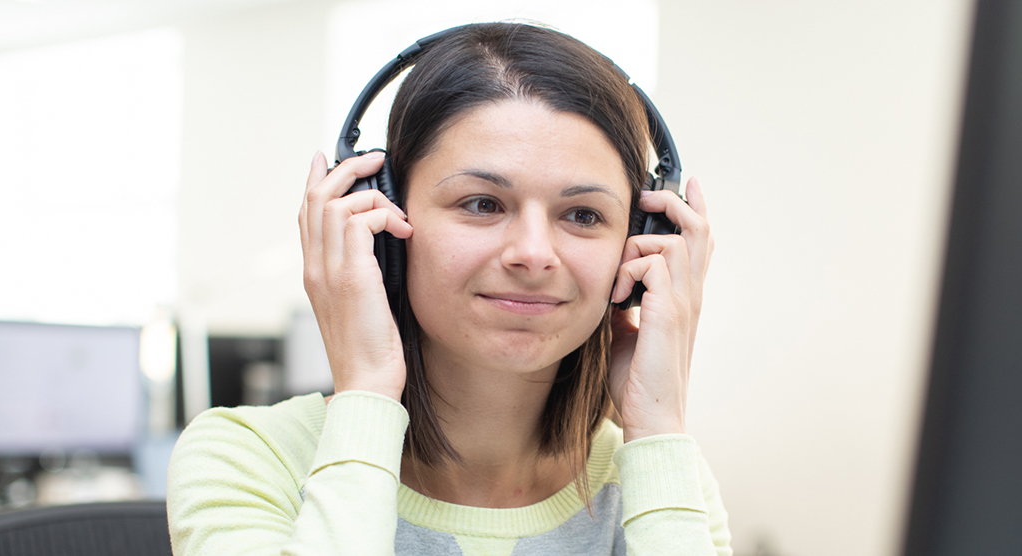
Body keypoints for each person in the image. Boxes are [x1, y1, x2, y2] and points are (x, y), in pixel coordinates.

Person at [166, 22, 730, 555]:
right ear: (381, 219)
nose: (534, 254)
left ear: (641, 241)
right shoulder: (248, 457)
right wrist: (367, 391)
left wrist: (655, 427)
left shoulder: (660, 473)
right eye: (482, 204)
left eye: (583, 215)